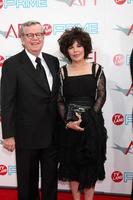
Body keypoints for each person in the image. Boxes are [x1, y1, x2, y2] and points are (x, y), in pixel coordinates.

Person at [1, 20, 60, 200]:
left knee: (51, 181)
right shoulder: (12, 64)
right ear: (22, 39)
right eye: (30, 35)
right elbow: (7, 101)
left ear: (43, 36)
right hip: (26, 135)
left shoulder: (53, 61)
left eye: (38, 34)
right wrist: (8, 135)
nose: (35, 38)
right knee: (28, 184)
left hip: (52, 134)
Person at [57, 27, 107, 200]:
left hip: (92, 125)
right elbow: (60, 100)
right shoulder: (62, 72)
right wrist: (68, 121)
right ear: (66, 50)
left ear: (85, 47)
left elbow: (101, 95)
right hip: (70, 125)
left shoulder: (96, 69)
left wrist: (87, 118)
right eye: (71, 47)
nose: (75, 50)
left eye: (79, 46)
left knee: (90, 167)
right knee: (72, 167)